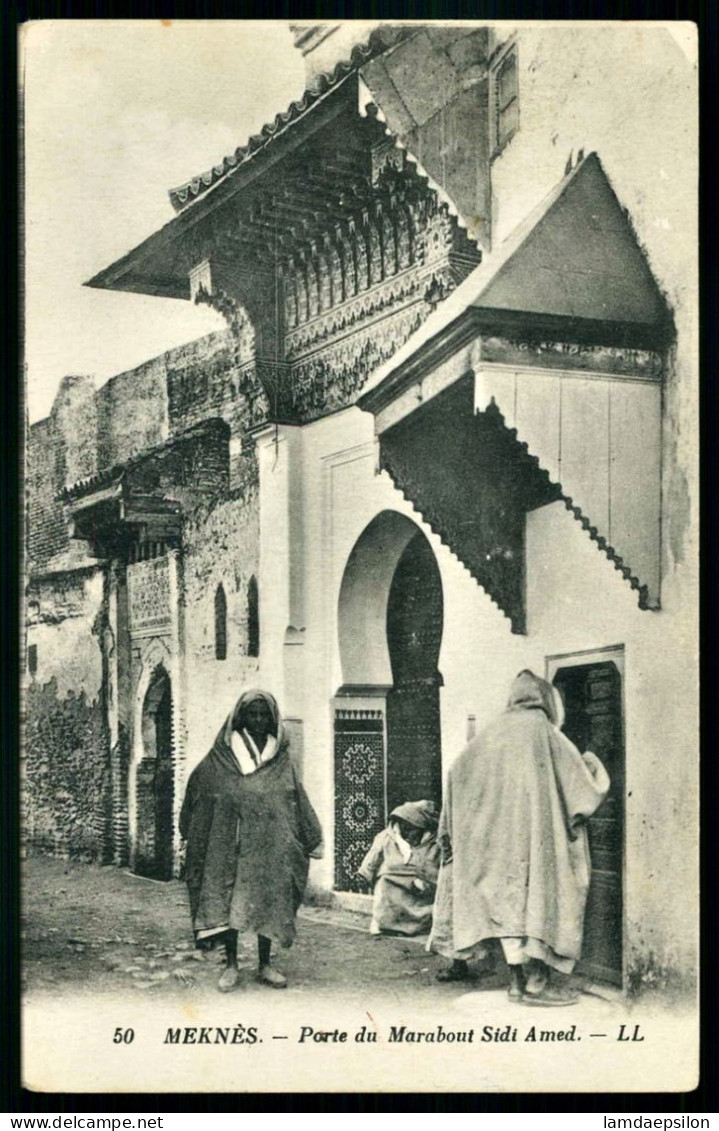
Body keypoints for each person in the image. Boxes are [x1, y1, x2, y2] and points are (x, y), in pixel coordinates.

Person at [429, 670, 610, 1006]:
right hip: (535, 842)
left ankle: (516, 985)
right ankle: (537, 985)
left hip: (496, 845)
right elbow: (583, 787)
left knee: (507, 910)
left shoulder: (490, 733)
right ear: (544, 698)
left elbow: (456, 773)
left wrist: (458, 830)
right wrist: (595, 761)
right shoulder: (545, 733)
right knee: (538, 906)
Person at [179, 688, 322, 992]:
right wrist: (192, 825)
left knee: (267, 900)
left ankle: (265, 964)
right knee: (230, 900)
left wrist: (310, 835)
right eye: (252, 714)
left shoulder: (279, 758)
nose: (257, 720)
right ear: (241, 717)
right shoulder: (224, 755)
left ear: (271, 719)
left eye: (263, 715)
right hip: (229, 844)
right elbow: (200, 784)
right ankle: (231, 964)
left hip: (268, 847)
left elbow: (295, 797)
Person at [358, 800, 440, 937]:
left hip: (423, 889)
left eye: (411, 829)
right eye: (404, 828)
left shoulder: (435, 841)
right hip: (393, 883)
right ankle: (385, 923)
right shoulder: (387, 837)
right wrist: (365, 873)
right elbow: (373, 857)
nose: (407, 833)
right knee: (384, 882)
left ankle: (416, 925)